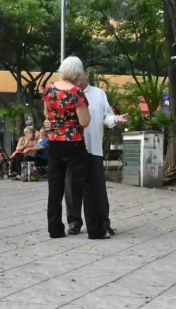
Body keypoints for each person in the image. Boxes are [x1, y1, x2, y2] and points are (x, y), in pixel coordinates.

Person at [54, 71, 127, 237]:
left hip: (93, 148)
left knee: (97, 187)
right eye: (73, 76)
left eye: (78, 76)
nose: (76, 80)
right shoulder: (67, 94)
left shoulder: (98, 94)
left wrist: (115, 119)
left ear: (85, 75)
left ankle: (103, 221)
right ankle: (74, 222)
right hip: (72, 147)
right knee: (72, 186)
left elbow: (106, 116)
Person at [42, 56, 108, 240]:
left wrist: (56, 123)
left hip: (54, 143)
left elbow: (47, 114)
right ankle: (95, 230)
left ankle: (55, 229)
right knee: (88, 186)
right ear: (77, 73)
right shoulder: (77, 93)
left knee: (55, 187)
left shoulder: (49, 90)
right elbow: (84, 121)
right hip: (74, 144)